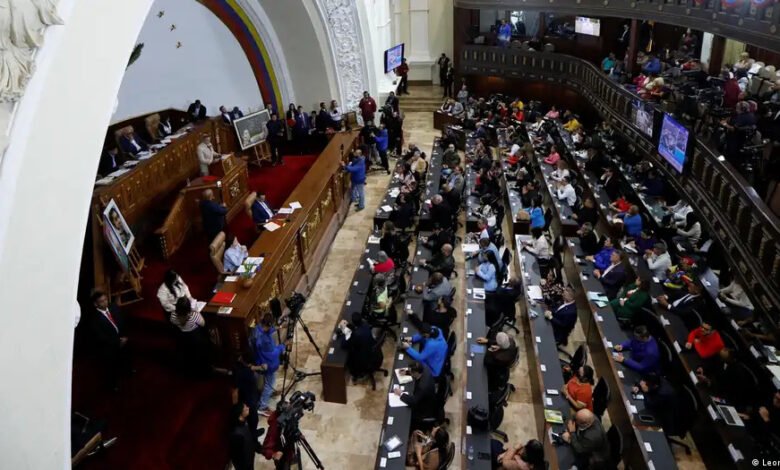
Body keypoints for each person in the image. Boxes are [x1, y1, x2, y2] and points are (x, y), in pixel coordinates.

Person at [89, 290, 129, 390]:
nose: (105, 302)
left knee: (125, 357)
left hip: (122, 338)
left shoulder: (113, 307)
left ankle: (127, 371)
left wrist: (124, 336)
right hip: (109, 346)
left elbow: (122, 321)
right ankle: (113, 384)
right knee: (111, 366)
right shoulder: (94, 319)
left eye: (105, 299)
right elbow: (100, 336)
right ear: (96, 304)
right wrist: (118, 341)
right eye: (101, 301)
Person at [254, 314, 288, 416]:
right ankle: (262, 407)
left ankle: (268, 394)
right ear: (268, 325)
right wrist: (283, 345)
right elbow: (273, 353)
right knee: (270, 384)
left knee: (268, 381)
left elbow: (269, 330)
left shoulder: (259, 328)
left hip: (261, 360)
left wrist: (280, 327)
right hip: (267, 364)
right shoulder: (264, 340)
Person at [171, 297, 210, 374]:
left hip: (183, 337)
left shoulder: (173, 315)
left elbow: (173, 322)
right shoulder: (193, 315)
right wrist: (197, 311)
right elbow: (203, 323)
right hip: (195, 337)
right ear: (189, 307)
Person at [339, 312, 379, 380]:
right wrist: (349, 325)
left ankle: (355, 373)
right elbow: (357, 329)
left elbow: (344, 344)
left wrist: (343, 331)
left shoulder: (356, 335)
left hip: (363, 356)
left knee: (349, 356)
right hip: (370, 348)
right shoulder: (366, 324)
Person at [228, 402, 260, 470]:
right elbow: (237, 457)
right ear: (240, 414)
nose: (248, 408)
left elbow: (248, 439)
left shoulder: (244, 422)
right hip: (244, 465)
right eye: (245, 408)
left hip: (249, 457)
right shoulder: (237, 434)